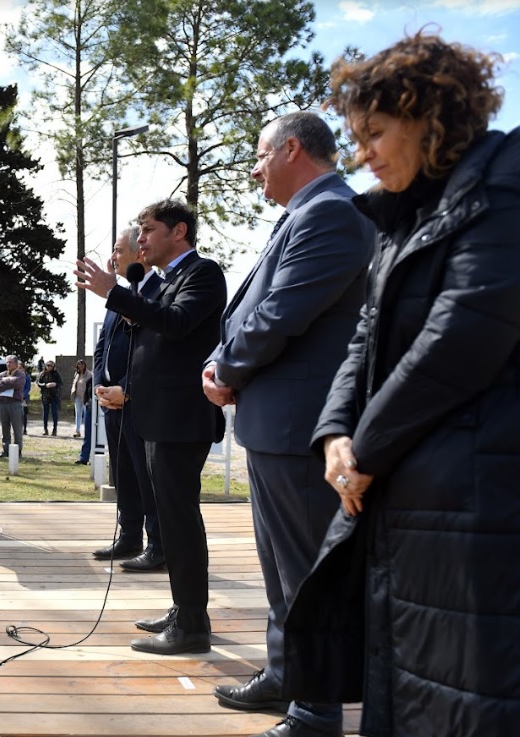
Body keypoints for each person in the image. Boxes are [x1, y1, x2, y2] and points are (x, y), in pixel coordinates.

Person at [282, 33, 520, 737]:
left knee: (476, 694)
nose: (361, 155)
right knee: (408, 685)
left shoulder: (514, 177)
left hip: (486, 500)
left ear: (428, 116)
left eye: (373, 133)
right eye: (355, 138)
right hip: (407, 499)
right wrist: (334, 435)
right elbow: (364, 337)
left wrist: (365, 450)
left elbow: (466, 334)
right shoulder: (402, 218)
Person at [199, 111, 375, 737]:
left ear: (291, 149)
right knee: (279, 567)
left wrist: (226, 368)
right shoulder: (308, 212)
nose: (254, 170)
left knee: (305, 573)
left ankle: (317, 710)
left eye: (259, 155)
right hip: (275, 424)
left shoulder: (332, 212)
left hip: (301, 426)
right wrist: (223, 362)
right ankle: (286, 674)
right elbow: (259, 309)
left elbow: (281, 312)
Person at [76, 197, 226, 656]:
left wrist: (116, 293)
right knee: (173, 520)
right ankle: (185, 610)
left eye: (148, 230)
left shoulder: (202, 273)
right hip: (155, 417)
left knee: (180, 521)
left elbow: (176, 325)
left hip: (181, 419)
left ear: (178, 232)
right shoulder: (162, 282)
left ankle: (192, 625)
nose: (140, 240)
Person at [90, 226, 165, 571]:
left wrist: (127, 388)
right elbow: (103, 345)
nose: (112, 257)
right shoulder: (117, 296)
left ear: (139, 253)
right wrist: (100, 384)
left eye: (119, 250)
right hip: (112, 404)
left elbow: (153, 351)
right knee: (124, 475)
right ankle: (129, 536)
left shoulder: (159, 293)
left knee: (146, 477)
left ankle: (157, 546)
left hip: (140, 403)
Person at [0, 356, 25, 459]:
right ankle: (6, 450)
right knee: (5, 428)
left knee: (17, 428)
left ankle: (17, 451)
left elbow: (17, 383)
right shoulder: (2, 374)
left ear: (16, 364)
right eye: (7, 362)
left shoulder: (20, 374)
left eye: (10, 362)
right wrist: (9, 381)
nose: (8, 364)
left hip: (15, 403)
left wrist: (4, 382)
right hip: (3, 404)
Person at [36, 360, 63, 436]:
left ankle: (55, 429)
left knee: (54, 413)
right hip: (45, 395)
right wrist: (45, 385)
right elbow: (38, 382)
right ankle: (45, 429)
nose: (49, 367)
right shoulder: (42, 374)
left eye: (51, 365)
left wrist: (55, 384)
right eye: (48, 365)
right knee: (45, 413)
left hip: (54, 395)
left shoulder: (56, 374)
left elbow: (60, 383)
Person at [70, 359, 93, 438]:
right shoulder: (77, 374)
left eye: (82, 364)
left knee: (86, 414)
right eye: (79, 364)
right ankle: (77, 430)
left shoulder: (89, 374)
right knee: (78, 413)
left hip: (85, 397)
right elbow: (74, 384)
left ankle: (87, 431)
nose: (81, 366)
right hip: (77, 396)